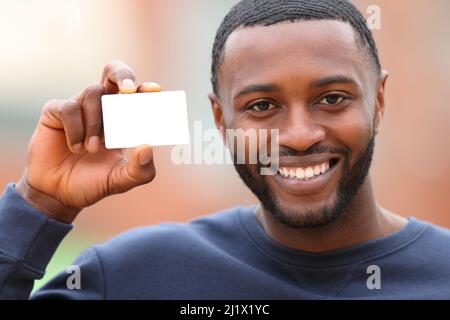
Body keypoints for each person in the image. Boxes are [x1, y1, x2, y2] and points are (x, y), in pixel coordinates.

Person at [1, 0, 449, 300]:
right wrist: (40, 203)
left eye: (332, 98)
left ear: (380, 101)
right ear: (220, 120)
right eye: (262, 106)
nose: (297, 135)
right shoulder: (137, 274)